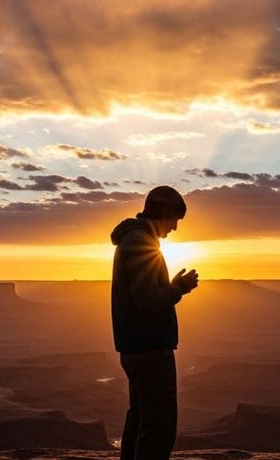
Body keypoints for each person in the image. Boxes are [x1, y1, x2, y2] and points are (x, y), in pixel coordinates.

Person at [110, 185, 199, 460]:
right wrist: (179, 289)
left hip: (137, 346)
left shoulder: (136, 239)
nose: (174, 227)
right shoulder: (140, 242)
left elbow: (143, 293)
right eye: (173, 219)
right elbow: (147, 300)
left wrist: (171, 286)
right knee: (159, 425)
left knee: (140, 420)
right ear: (161, 212)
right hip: (149, 349)